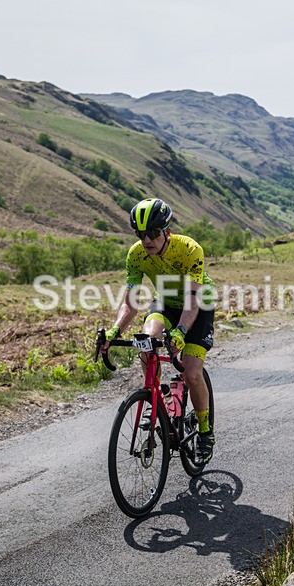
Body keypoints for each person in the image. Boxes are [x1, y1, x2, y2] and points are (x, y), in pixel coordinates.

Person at [101, 198, 217, 464]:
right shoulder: (136, 254)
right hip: (165, 301)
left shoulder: (189, 249)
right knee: (146, 340)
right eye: (141, 234)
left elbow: (193, 299)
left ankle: (205, 431)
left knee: (191, 372)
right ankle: (157, 397)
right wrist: (114, 332)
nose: (146, 240)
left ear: (167, 231)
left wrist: (181, 331)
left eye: (152, 233)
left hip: (198, 303)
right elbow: (130, 303)